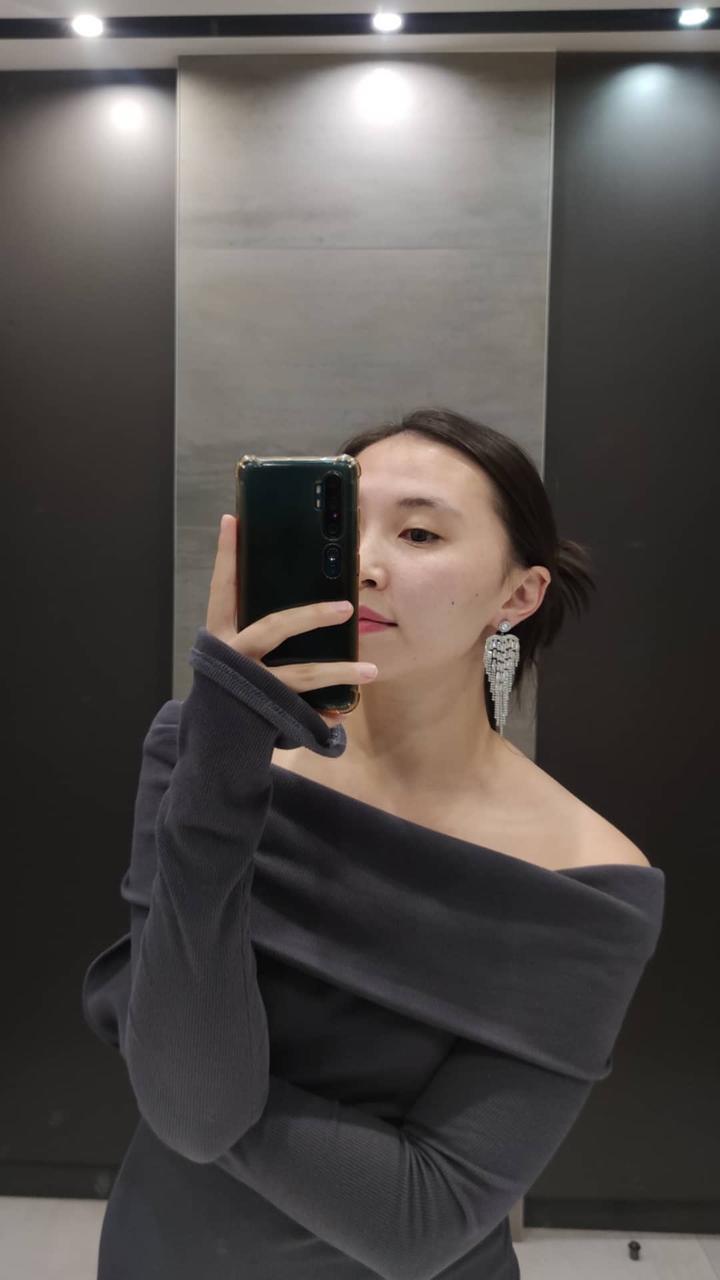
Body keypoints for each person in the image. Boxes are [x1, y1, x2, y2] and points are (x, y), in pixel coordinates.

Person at [82, 406, 665, 1280]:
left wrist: (176, 1073)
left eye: (420, 533)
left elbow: (417, 1222)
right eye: (340, 527)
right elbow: (185, 1092)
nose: (361, 565)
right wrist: (222, 763)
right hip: (160, 1252)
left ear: (519, 595)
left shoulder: (590, 878)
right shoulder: (203, 747)